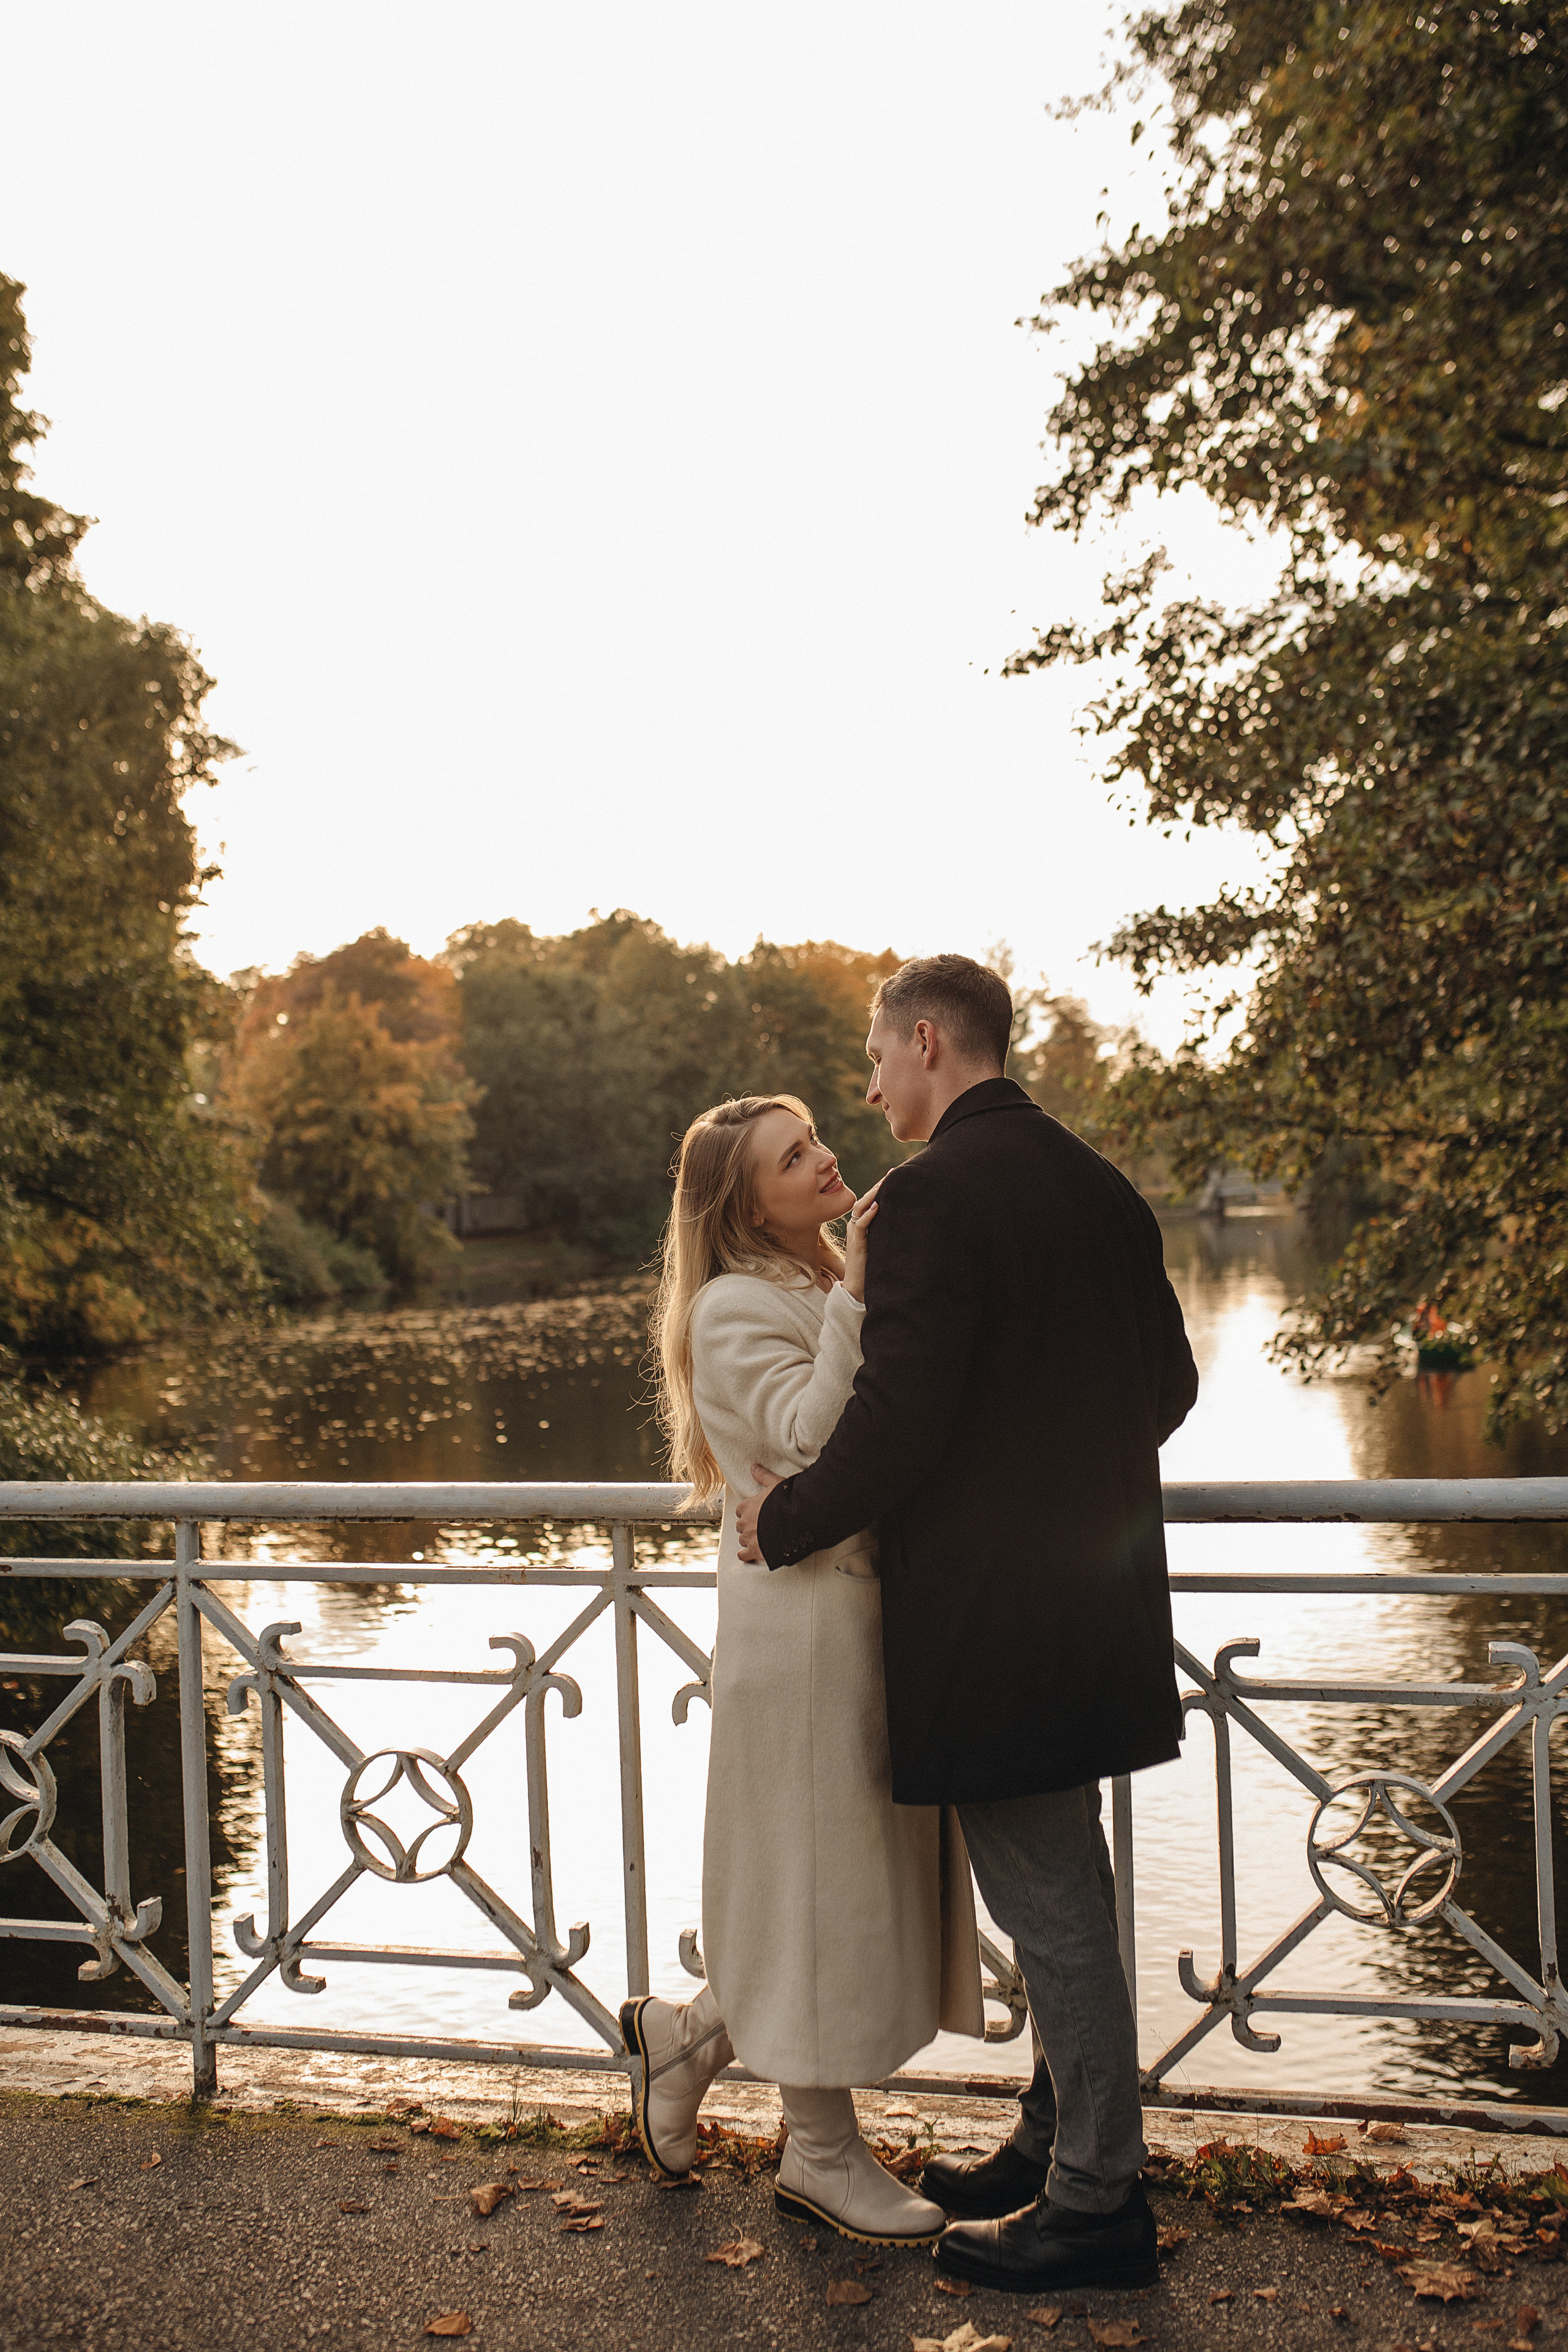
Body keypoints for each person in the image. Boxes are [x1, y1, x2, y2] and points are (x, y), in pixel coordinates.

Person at [736, 956, 1199, 2297]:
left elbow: (904, 1416)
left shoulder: (931, 1196)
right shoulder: (1101, 1186)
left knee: (1049, 1899)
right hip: (1094, 1601)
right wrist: (1060, 1478)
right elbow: (1160, 1386)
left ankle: (1098, 2204)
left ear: (927, 1042)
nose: (869, 1083)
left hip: (995, 1617)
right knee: (1068, 1884)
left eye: (875, 1057)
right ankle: (1056, 2142)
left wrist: (787, 1520)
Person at [623, 1091, 986, 2245]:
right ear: (745, 1202)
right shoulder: (735, 1306)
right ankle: (819, 2156)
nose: (826, 1159)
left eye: (817, 1137)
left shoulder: (811, 1283)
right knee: (821, 1888)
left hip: (858, 1617)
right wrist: (863, 1296)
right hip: (804, 1638)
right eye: (796, 1155)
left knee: (825, 1885)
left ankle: (683, 2043)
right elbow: (811, 1445)